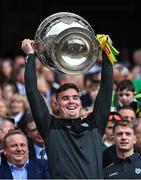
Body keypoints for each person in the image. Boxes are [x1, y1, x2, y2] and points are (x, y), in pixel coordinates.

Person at [21, 38, 113, 179]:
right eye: (65, 98)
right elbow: (32, 91)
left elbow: (106, 89)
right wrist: (30, 55)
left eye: (75, 98)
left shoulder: (95, 124)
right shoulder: (49, 126)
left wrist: (106, 52)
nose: (71, 101)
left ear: (80, 102)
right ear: (56, 105)